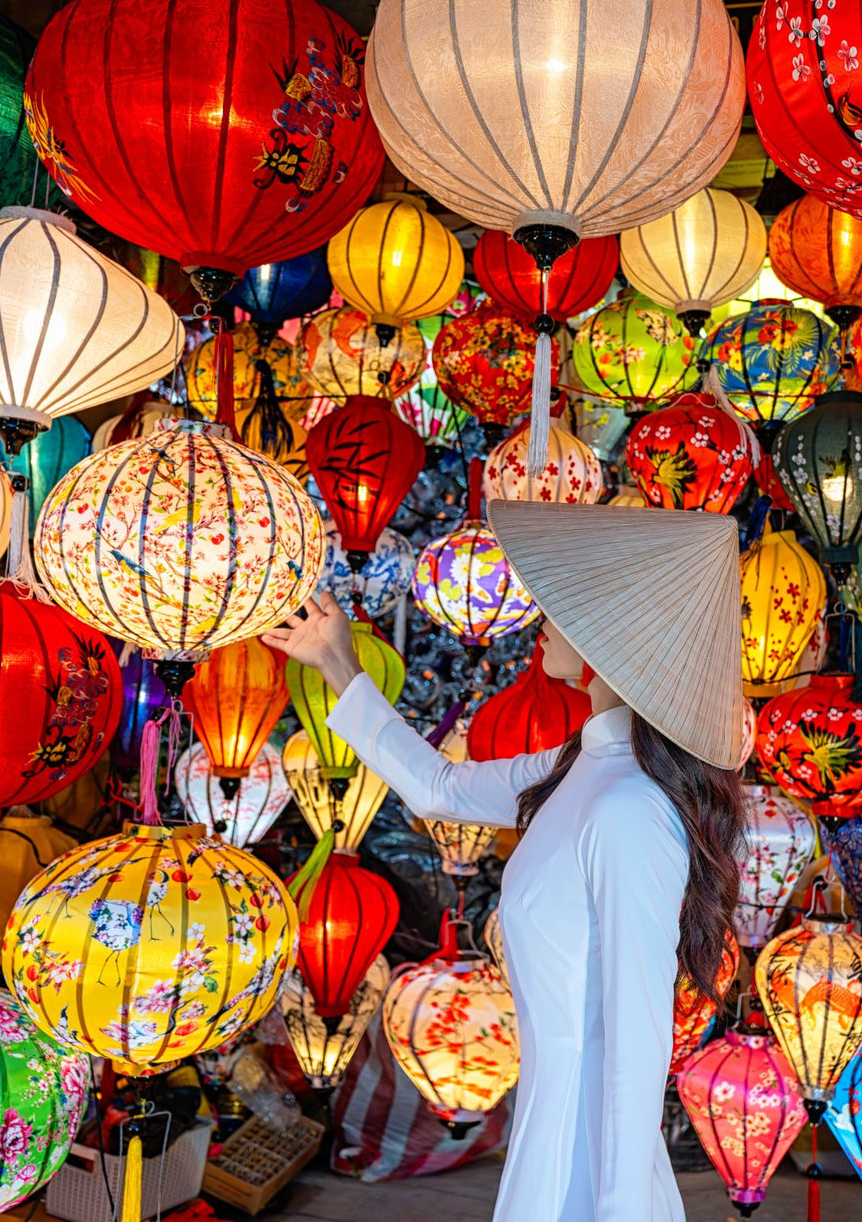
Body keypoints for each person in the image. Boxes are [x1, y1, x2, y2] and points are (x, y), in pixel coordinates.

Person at [264, 500, 750, 1222]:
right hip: (553, 1118)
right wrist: (338, 661)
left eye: (564, 602)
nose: (541, 615)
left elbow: (636, 1037)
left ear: (609, 640)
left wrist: (617, 1206)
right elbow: (440, 787)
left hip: (588, 1151)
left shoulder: (629, 810)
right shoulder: (586, 768)